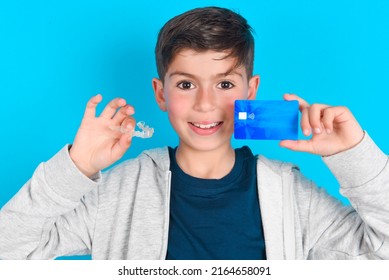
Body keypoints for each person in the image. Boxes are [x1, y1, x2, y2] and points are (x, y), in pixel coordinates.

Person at [0, 6, 388, 260]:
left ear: (250, 92)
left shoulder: (290, 193)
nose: (205, 105)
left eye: (224, 85)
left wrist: (353, 155)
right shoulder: (118, 193)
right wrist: (76, 166)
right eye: (186, 85)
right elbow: (8, 251)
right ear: (161, 94)